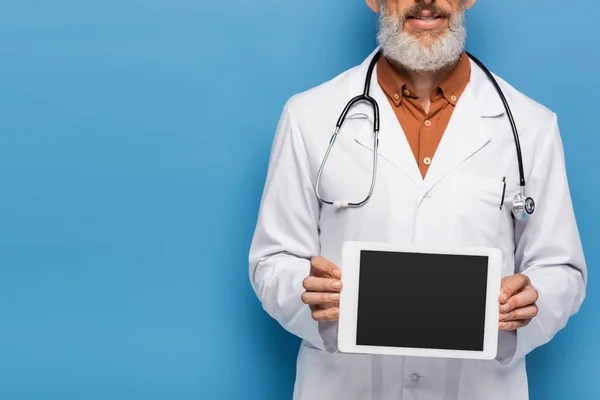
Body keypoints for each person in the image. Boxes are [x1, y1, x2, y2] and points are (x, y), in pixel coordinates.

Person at [248, 0, 587, 398]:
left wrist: (531, 302)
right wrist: (308, 294)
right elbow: (273, 260)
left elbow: (561, 268)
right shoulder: (310, 116)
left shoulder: (531, 126)